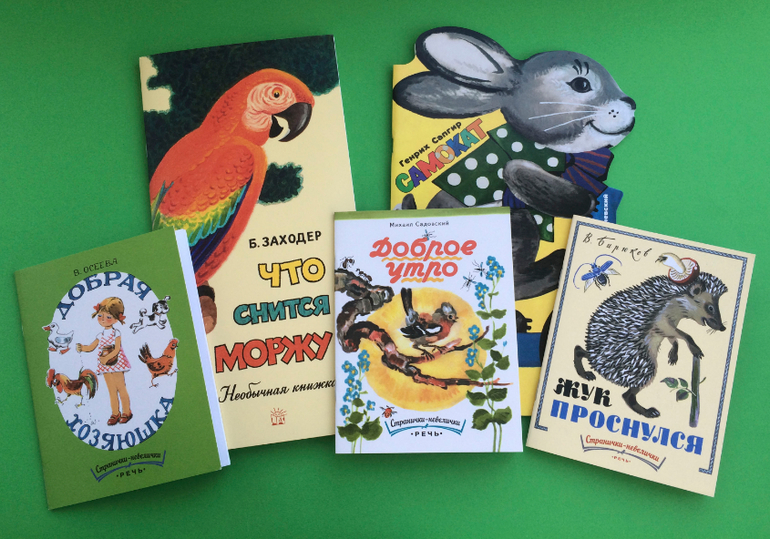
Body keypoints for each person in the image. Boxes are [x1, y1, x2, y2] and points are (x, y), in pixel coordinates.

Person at [76, 297, 132, 425]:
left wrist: (107, 358)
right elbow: (92, 347)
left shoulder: (116, 333)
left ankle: (126, 412)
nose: (103, 319)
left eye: (108, 317)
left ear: (116, 319)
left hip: (116, 363)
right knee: (111, 390)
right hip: (105, 365)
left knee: (121, 388)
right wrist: (83, 348)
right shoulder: (100, 335)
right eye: (100, 315)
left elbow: (117, 349)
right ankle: (115, 413)